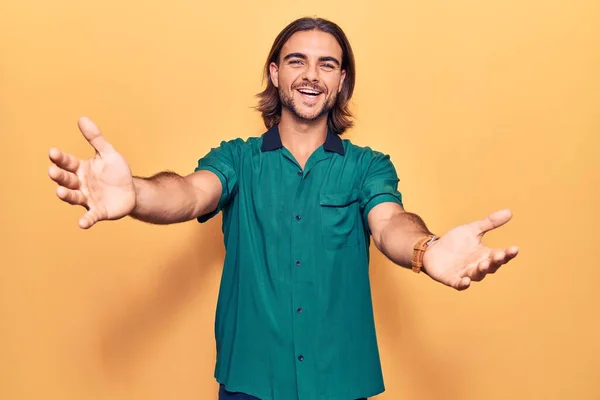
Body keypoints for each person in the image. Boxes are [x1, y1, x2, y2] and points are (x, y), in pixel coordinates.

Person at [47, 16, 519, 400]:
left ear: (341, 80)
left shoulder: (368, 167)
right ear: (276, 73)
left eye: (326, 65)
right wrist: (135, 192)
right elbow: (189, 193)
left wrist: (427, 249)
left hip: (340, 384)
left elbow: (390, 222)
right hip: (250, 383)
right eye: (298, 61)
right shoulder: (236, 158)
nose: (311, 75)